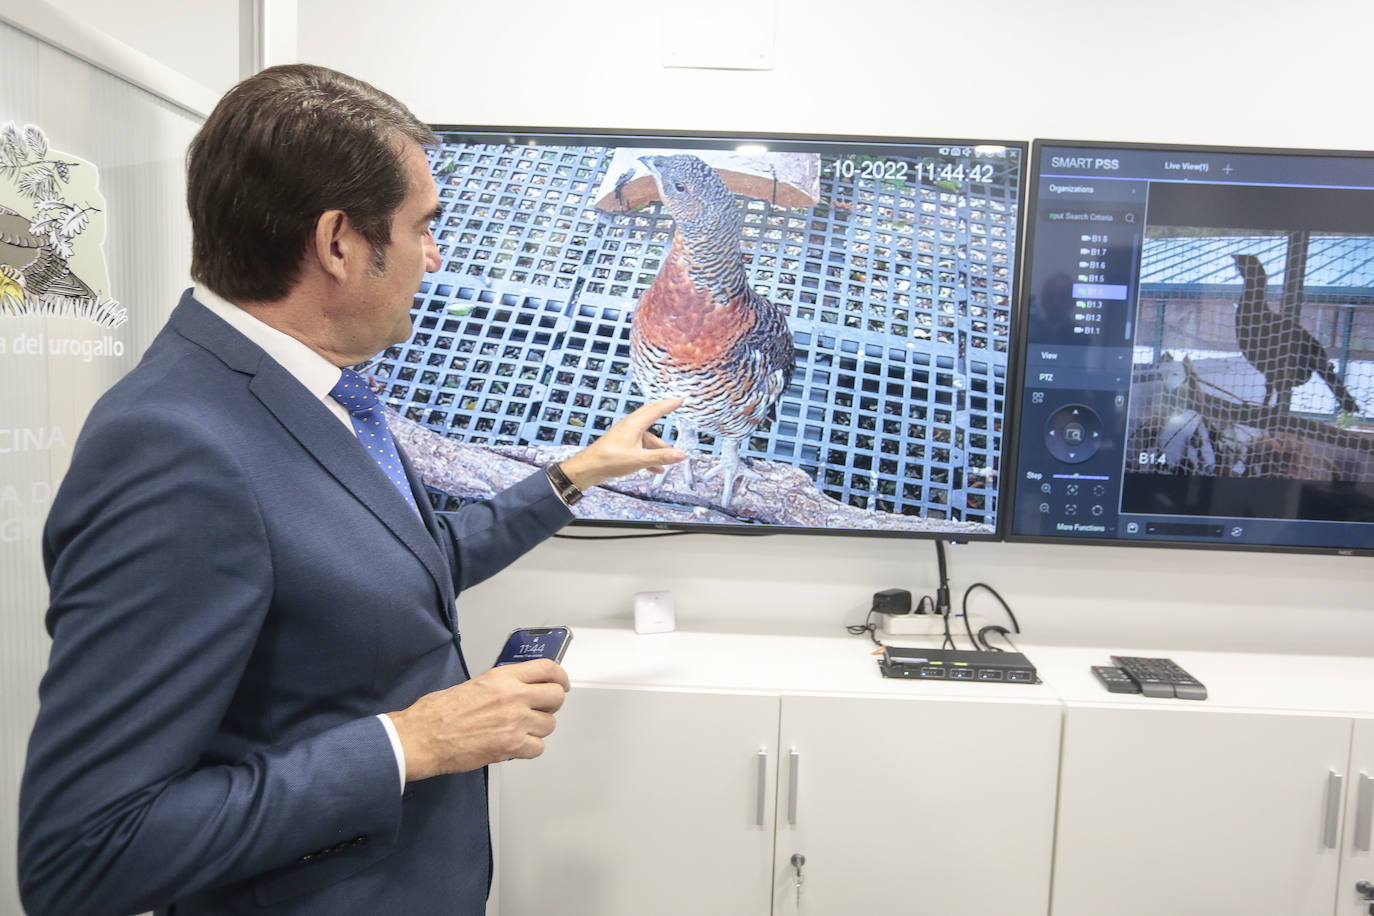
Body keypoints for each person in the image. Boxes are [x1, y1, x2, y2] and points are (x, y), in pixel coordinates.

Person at [17, 64, 685, 916]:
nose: (433, 259)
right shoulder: (174, 446)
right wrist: (409, 742)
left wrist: (571, 477)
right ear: (338, 243)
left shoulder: (318, 390)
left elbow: (398, 561)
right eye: (421, 228)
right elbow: (86, 853)